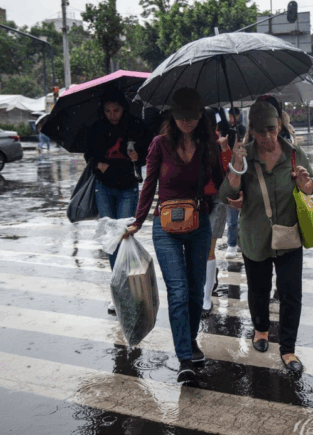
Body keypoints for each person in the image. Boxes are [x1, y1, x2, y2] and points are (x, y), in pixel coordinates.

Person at [123, 88, 224, 383]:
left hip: (199, 223)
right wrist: (138, 221)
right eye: (181, 117)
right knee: (178, 291)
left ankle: (189, 341)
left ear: (200, 115)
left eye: (191, 117)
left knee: (195, 290)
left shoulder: (208, 144)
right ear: (173, 116)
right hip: (165, 227)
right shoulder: (159, 144)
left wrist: (235, 160)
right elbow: (149, 184)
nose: (186, 122)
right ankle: (184, 359)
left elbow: (221, 184)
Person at [219, 96, 313, 373]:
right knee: (259, 290)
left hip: (288, 235)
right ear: (251, 130)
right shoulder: (245, 156)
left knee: (291, 293)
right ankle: (261, 329)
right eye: (261, 131)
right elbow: (226, 194)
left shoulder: (293, 153)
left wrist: (307, 184)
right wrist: (236, 164)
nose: (267, 137)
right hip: (255, 236)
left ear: (279, 126)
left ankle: (288, 349)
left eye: (272, 130)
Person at [85, 89, 150, 314]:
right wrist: (97, 164)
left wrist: (137, 157)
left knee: (124, 237)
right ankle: (118, 290)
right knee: (112, 239)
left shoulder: (135, 126)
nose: (113, 115)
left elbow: (146, 153)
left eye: (117, 110)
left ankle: (128, 287)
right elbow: (88, 154)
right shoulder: (96, 128)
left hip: (128, 188)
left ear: (124, 109)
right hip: (103, 188)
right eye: (108, 111)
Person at [201, 110, 234, 315]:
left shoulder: (220, 143)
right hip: (197, 201)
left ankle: (206, 298)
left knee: (209, 247)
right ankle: (209, 279)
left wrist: (225, 149)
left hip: (217, 199)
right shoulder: (192, 142)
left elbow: (229, 170)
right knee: (200, 248)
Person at [224, 107, 247, 259]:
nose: (231, 118)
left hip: (243, 173)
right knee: (232, 216)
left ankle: (242, 241)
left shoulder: (242, 129)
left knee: (245, 215)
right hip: (230, 172)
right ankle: (232, 244)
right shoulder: (226, 129)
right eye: (230, 115)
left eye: (234, 115)